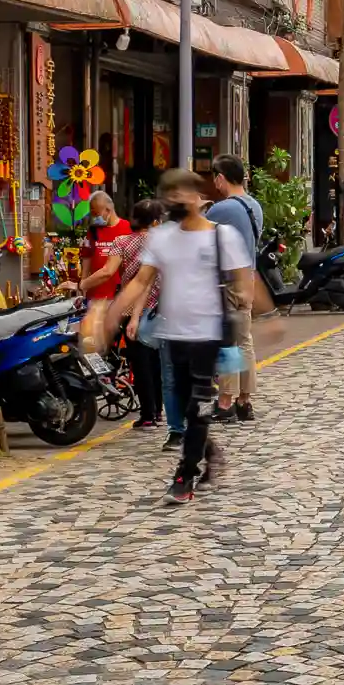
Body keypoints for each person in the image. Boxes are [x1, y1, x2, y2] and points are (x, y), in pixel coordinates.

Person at [101, 169, 252, 505]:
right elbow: (141, 281)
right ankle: (211, 453)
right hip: (174, 334)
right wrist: (114, 313)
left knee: (198, 406)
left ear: (200, 197)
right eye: (170, 193)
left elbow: (244, 280)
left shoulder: (221, 236)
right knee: (186, 409)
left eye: (184, 192)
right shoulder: (162, 238)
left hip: (208, 335)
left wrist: (255, 311)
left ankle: (185, 476)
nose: (177, 198)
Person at [207, 155, 264, 421]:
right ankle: (244, 401)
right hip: (248, 278)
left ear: (220, 177)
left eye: (214, 177)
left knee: (228, 340)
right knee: (244, 339)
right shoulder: (255, 206)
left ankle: (225, 403)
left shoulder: (221, 209)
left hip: (227, 280)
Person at [115, 199, 165, 430]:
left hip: (131, 308)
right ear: (156, 221)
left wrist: (82, 284)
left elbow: (108, 271)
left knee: (140, 363)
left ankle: (147, 414)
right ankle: (158, 410)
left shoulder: (122, 242)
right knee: (157, 362)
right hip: (160, 308)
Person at [79, 191, 131, 301]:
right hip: (94, 294)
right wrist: (83, 282)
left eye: (96, 214)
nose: (94, 218)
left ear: (108, 210)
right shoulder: (93, 231)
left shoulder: (127, 228)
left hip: (117, 295)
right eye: (92, 214)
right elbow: (87, 256)